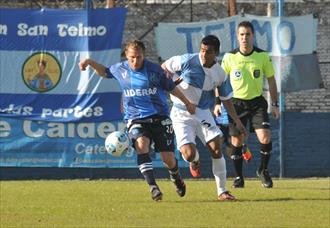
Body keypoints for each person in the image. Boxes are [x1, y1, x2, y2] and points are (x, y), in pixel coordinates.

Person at [79, 40, 196, 201]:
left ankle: (176, 176)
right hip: (135, 118)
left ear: (144, 55)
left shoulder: (155, 70)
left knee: (167, 159)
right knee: (141, 145)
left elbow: (171, 88)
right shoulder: (120, 69)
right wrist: (90, 62)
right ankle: (154, 187)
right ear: (126, 56)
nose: (135, 61)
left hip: (159, 117)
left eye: (139, 57)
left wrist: (187, 102)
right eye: (132, 57)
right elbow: (105, 72)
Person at [162, 35, 247, 201]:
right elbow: (164, 67)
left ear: (216, 53)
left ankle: (222, 191)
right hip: (180, 112)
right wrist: (170, 81)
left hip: (202, 112)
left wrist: (237, 121)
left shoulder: (220, 74)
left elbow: (226, 100)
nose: (203, 54)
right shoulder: (186, 60)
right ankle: (194, 160)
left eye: (207, 52)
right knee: (188, 154)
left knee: (216, 147)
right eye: (202, 50)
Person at [216, 21, 280, 188]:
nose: (245, 37)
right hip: (236, 104)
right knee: (236, 141)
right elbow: (220, 81)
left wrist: (274, 104)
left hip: (257, 102)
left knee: (265, 138)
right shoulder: (229, 57)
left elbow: (272, 80)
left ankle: (263, 170)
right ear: (237, 37)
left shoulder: (262, 56)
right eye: (241, 34)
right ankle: (238, 177)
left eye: (248, 34)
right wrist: (217, 103)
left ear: (253, 36)